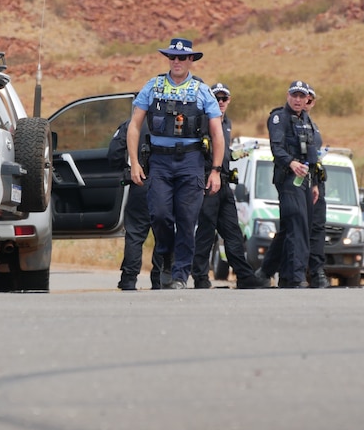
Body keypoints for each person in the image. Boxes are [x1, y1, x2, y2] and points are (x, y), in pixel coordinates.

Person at [127, 37, 225, 290]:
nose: (177, 61)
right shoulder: (153, 86)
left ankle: (180, 273)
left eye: (182, 57)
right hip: (159, 161)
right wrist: (134, 163)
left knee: (186, 218)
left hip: (191, 161)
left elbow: (217, 133)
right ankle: (166, 255)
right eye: (172, 57)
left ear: (191, 59)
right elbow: (134, 126)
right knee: (159, 214)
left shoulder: (202, 91)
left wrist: (215, 170)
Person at [191, 83, 266, 289]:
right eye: (217, 98)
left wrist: (237, 153)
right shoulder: (204, 121)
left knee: (232, 231)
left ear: (229, 100)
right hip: (208, 181)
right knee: (206, 232)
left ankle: (244, 276)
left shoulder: (227, 123)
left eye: (224, 98)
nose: (221, 102)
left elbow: (224, 153)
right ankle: (200, 277)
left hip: (224, 183)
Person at [260, 80, 320, 289]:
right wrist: (291, 163)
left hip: (305, 181)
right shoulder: (279, 118)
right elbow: (277, 148)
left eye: (302, 96)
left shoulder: (306, 119)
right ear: (288, 96)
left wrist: (314, 183)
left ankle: (273, 273)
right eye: (294, 95)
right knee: (298, 225)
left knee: (289, 228)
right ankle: (297, 276)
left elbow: (311, 153)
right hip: (288, 178)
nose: (298, 100)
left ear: (307, 100)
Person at [108, 118, 164, 290]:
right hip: (165, 184)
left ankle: (129, 279)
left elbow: (114, 153)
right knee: (163, 233)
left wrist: (126, 169)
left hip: (140, 182)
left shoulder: (131, 124)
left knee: (135, 233)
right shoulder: (171, 120)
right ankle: (160, 278)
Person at [304, 86, 330, 288]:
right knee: (295, 227)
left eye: (311, 101)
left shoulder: (313, 125)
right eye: (304, 99)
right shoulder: (289, 121)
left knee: (318, 228)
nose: (306, 104)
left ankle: (317, 270)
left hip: (316, 181)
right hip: (299, 180)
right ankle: (272, 269)